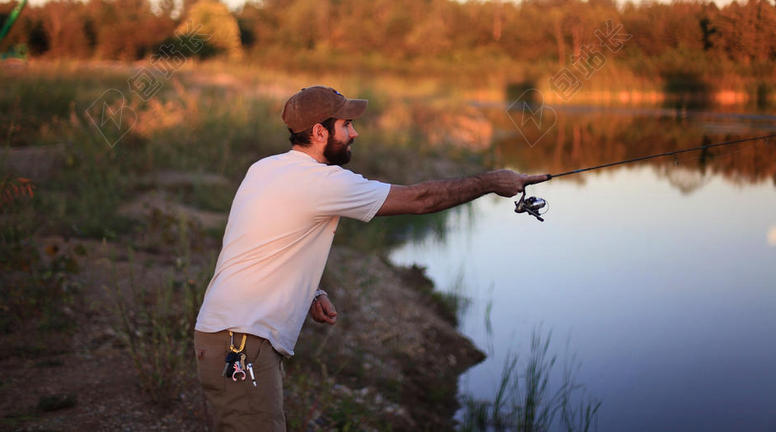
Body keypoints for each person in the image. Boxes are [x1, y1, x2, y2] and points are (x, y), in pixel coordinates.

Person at [194, 86, 547, 430]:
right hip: (241, 344)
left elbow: (260, 241)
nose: (355, 132)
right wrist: (490, 181)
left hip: (226, 336)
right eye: (346, 125)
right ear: (320, 131)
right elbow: (421, 199)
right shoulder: (323, 182)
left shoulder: (265, 168)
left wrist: (310, 290)